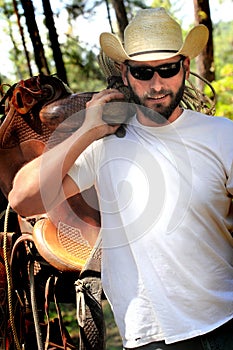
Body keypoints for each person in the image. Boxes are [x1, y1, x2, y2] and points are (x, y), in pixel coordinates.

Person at [8, 7, 233, 350]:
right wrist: (86, 128)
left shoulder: (223, 135)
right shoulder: (102, 142)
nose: (157, 84)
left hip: (226, 322)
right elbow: (22, 198)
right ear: (125, 73)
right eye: (143, 72)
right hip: (150, 335)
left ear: (185, 67)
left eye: (168, 69)